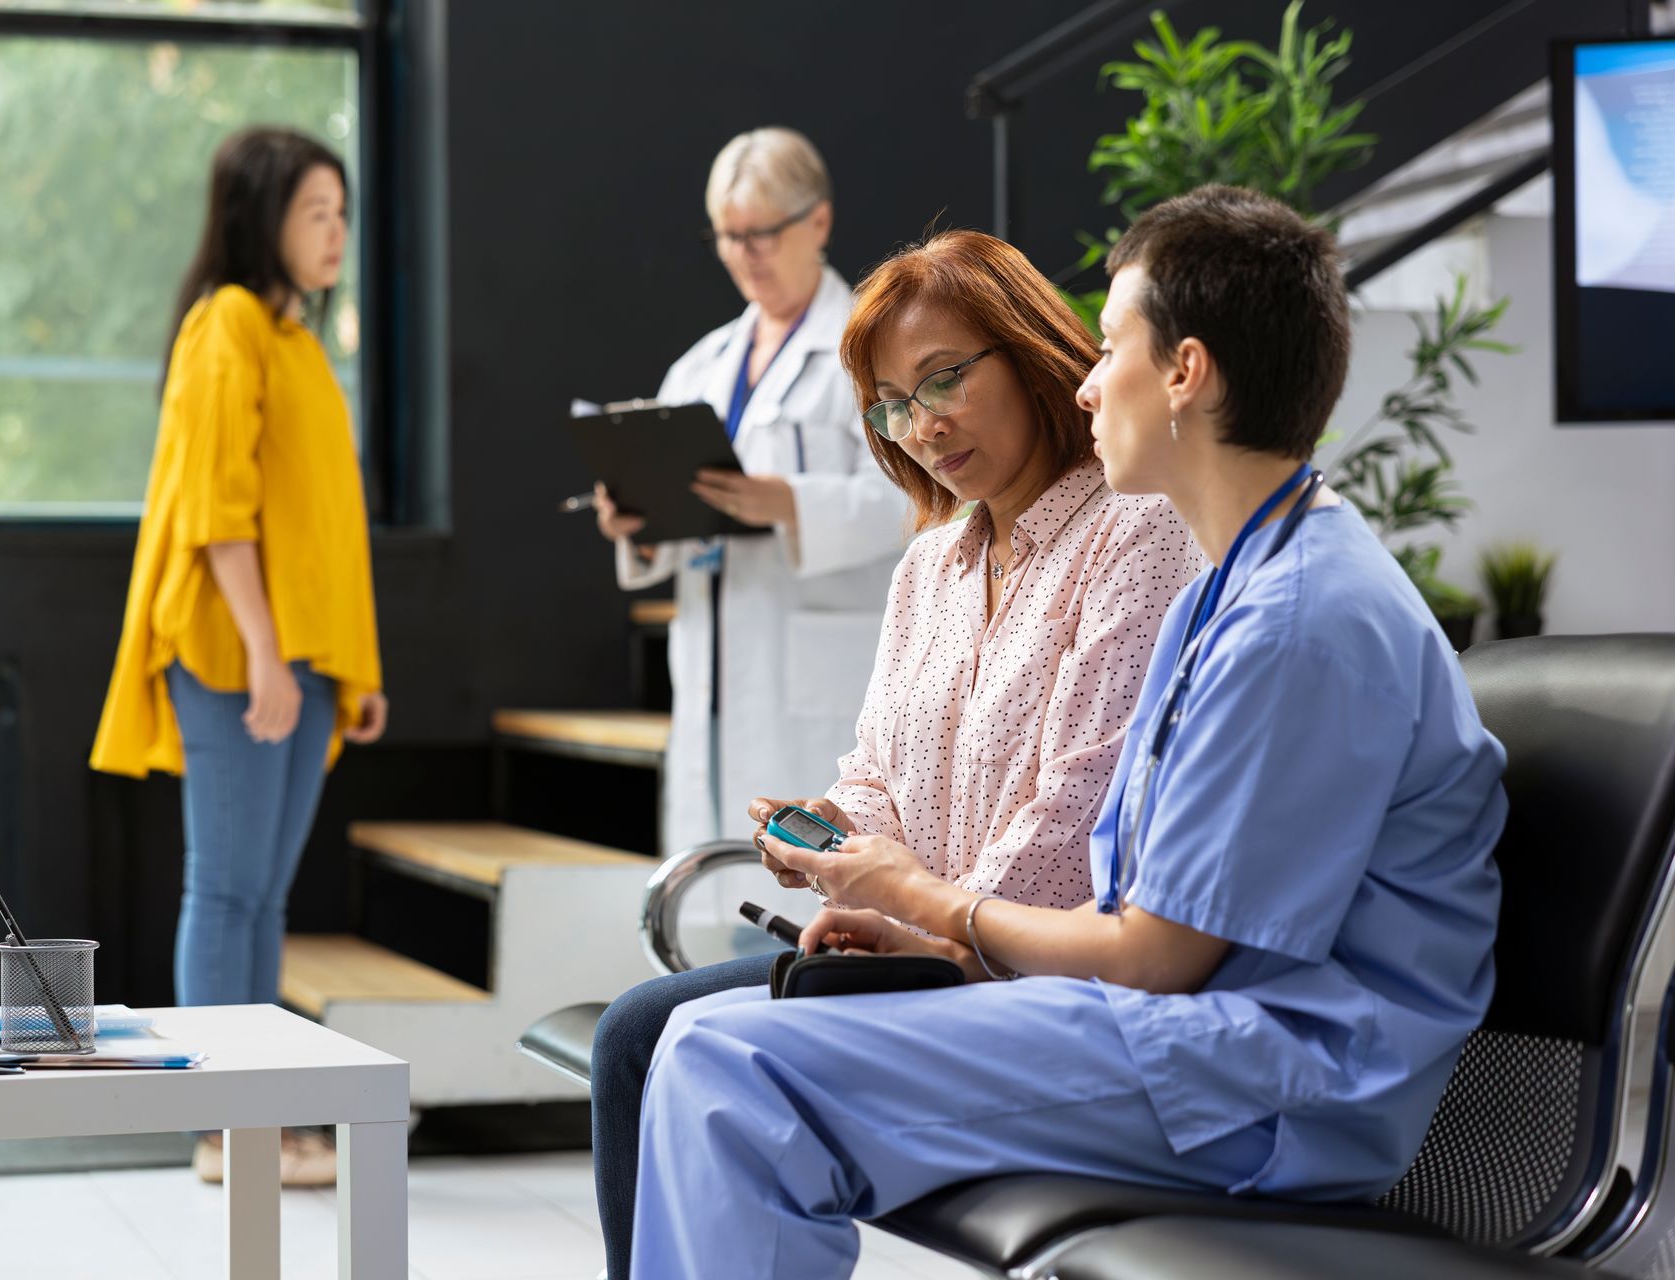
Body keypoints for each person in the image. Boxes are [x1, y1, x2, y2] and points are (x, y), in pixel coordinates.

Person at [627, 185, 1508, 1279]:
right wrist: (944, 938)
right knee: (707, 1048)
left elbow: (1155, 952)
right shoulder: (1242, 584)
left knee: (730, 1066)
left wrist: (932, 904)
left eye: (1109, 350)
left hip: (1270, 1082)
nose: (1085, 382)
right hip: (1196, 1036)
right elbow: (1139, 911)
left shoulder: (1294, 619)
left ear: (1185, 372)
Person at [589, 229, 1203, 1280]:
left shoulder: (1132, 532)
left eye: (945, 378)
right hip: (929, 935)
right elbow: (880, 766)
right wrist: (829, 839)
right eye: (891, 404)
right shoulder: (934, 562)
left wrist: (916, 918)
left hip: (1026, 962)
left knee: (656, 1039)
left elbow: (1074, 821)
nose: (924, 425)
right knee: (637, 1035)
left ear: (1034, 348)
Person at [90, 127, 386, 1186]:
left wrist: (351, 671)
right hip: (234, 651)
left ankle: (257, 1118)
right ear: (262, 219)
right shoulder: (226, 327)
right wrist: (266, 655)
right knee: (224, 892)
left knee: (262, 898)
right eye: (317, 212)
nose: (336, 231)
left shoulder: (296, 338)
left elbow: (317, 525)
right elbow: (220, 516)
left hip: (300, 660)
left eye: (342, 212)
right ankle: (223, 1126)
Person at [593, 127, 906, 859]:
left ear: (818, 221)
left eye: (762, 233)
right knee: (707, 896)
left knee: (810, 898)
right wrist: (638, 523)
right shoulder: (701, 368)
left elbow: (925, 504)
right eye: (729, 237)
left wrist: (791, 506)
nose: (745, 255)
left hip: (821, 670)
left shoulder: (870, 348)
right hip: (711, 667)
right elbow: (672, 530)